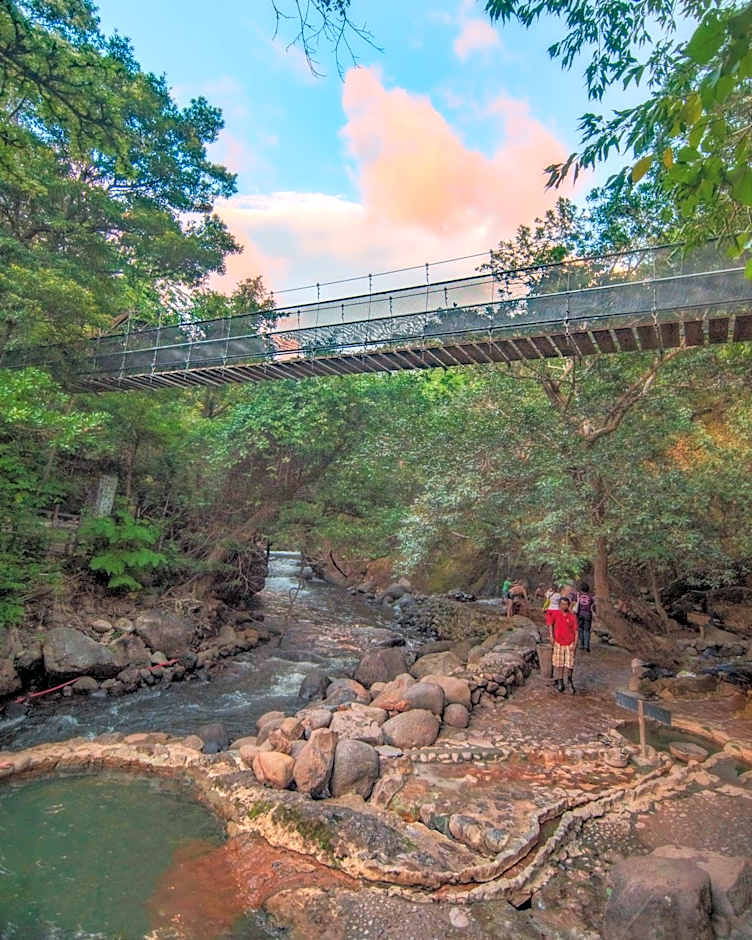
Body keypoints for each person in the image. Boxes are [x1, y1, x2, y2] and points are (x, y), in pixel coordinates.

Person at [549, 595, 578, 693]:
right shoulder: (556, 614)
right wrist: (551, 636)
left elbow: (576, 631)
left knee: (569, 665)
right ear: (559, 605)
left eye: (565, 604)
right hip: (558, 642)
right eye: (561, 604)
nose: (563, 606)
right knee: (559, 664)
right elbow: (550, 624)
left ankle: (569, 681)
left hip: (569, 642)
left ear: (568, 606)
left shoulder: (572, 616)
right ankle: (560, 682)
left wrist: (575, 643)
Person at [576, 582, 595, 652]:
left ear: (581, 589)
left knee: (580, 629)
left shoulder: (579, 596)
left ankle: (581, 644)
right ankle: (587, 645)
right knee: (587, 630)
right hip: (588, 614)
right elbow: (592, 605)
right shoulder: (590, 597)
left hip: (580, 613)